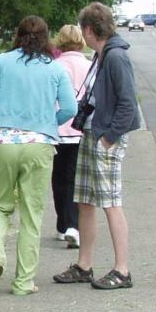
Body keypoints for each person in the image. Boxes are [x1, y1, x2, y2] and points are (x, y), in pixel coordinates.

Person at [0, 15, 77, 295]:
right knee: (32, 214)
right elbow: (70, 108)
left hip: (3, 141)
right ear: (47, 38)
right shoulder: (55, 69)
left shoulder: (3, 61)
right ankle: (23, 282)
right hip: (39, 143)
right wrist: (46, 122)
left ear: (17, 36)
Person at [53, 2, 140, 290]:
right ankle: (84, 264)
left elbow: (128, 104)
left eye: (83, 29)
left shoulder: (116, 57)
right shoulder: (101, 56)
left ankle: (122, 269)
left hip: (105, 138)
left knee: (111, 203)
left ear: (89, 30)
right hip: (91, 134)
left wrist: (109, 137)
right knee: (85, 200)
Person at [51, 24, 92, 248]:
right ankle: (74, 225)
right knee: (76, 178)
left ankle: (62, 224)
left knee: (58, 178)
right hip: (80, 130)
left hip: (57, 129)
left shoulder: (54, 66)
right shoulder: (89, 66)